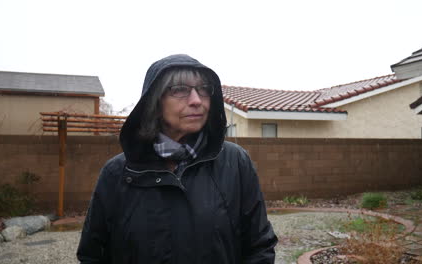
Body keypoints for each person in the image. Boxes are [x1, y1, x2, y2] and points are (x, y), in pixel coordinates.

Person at [77, 54, 277, 263]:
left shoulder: (235, 162)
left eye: (204, 89)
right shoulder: (117, 173)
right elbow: (93, 254)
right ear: (155, 100)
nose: (196, 100)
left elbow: (260, 246)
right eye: (180, 89)